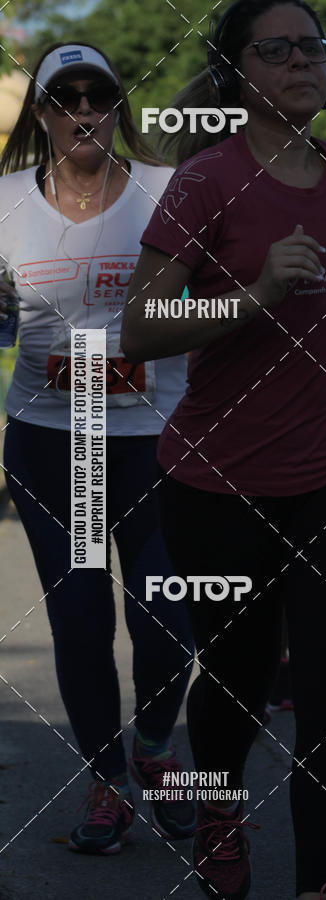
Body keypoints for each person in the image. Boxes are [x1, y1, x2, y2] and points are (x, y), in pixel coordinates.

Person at [120, 2, 326, 898]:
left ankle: (320, 887)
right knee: (236, 684)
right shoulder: (205, 183)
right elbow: (141, 329)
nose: (303, 60)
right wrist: (254, 294)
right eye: (279, 48)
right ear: (237, 74)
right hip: (223, 477)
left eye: (314, 47)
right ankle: (218, 808)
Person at [0, 43, 196, 855]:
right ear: (41, 113)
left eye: (100, 94)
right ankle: (107, 780)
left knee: (164, 623)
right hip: (53, 445)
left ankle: (154, 744)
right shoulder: (6, 201)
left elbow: (219, 298)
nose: (85, 108)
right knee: (80, 622)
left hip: (158, 442)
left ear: (118, 106)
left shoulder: (168, 190)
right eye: (65, 96)